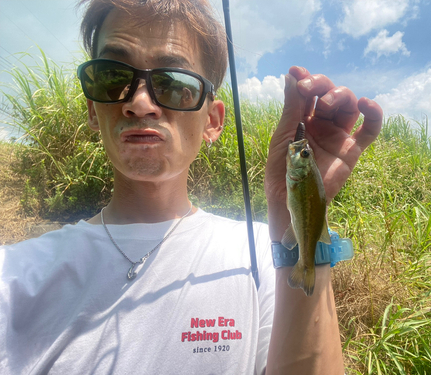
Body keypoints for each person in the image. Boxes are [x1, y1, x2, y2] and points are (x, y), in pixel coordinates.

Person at [0, 0, 383, 374]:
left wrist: (295, 222)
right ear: (91, 108)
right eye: (113, 76)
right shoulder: (13, 277)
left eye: (174, 84)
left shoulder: (265, 259)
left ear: (213, 122)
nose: (140, 103)